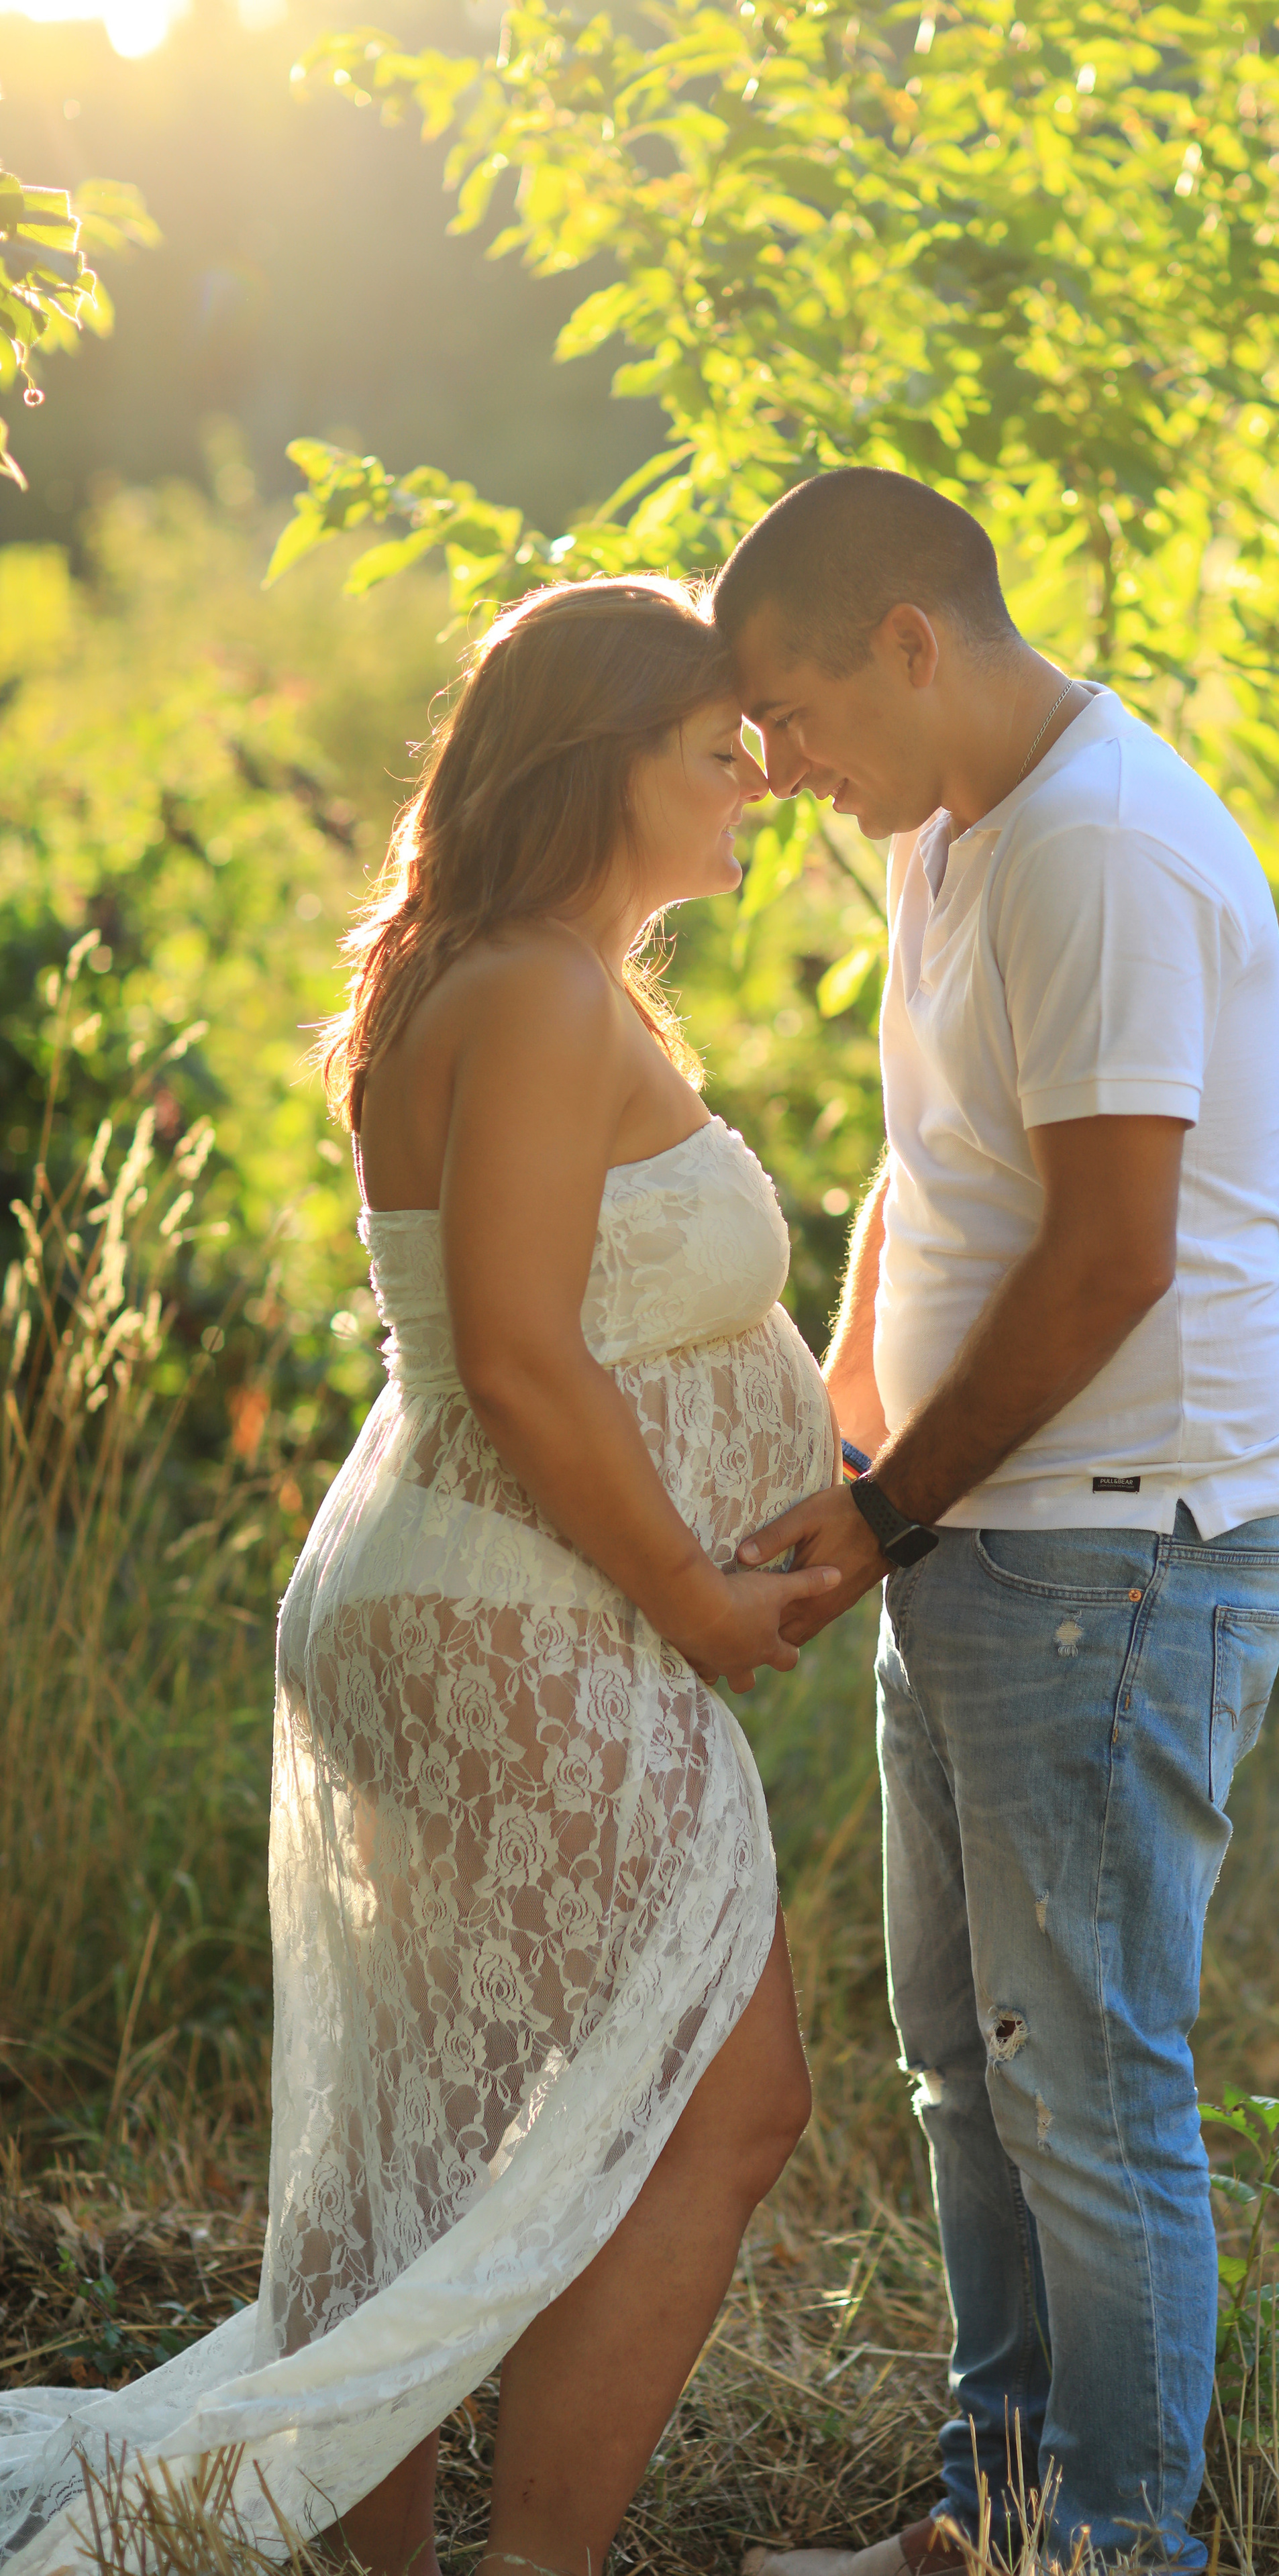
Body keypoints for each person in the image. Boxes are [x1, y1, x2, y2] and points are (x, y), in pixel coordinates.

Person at [0, 578, 841, 2576]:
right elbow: (530, 1356)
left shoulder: (521, 977)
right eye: (716, 748)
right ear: (596, 764)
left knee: (441, 2151)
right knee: (732, 2103)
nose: (757, 782)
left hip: (466, 1595)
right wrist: (709, 1611)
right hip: (520, 1610)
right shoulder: (539, 995)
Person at [717, 471, 1279, 2575]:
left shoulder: (1101, 850)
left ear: (909, 639)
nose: (785, 777)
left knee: (1087, 2082)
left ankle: (1121, 2548)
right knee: (968, 2066)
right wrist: (843, 1436)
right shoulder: (955, 832)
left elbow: (1109, 1261)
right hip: (982, 1530)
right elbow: (934, 1175)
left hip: (1117, 1551)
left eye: (796, 720)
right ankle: (996, 2520)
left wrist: (882, 1511)